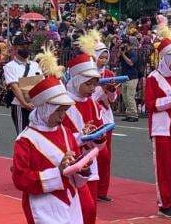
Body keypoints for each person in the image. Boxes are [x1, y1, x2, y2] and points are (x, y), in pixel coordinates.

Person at [12, 46, 90, 224]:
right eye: (59, 110)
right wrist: (58, 172)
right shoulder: (25, 140)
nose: (63, 115)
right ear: (46, 108)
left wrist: (82, 168)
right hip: (42, 205)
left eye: (65, 110)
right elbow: (20, 179)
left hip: (70, 198)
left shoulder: (66, 131)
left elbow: (74, 171)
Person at [62, 33, 109, 224]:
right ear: (76, 81)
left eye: (94, 83)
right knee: (81, 210)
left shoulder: (93, 104)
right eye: (87, 83)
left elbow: (101, 138)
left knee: (91, 213)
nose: (92, 88)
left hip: (91, 162)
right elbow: (60, 136)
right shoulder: (63, 104)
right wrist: (82, 136)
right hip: (72, 165)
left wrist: (98, 137)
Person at [144, 24, 171, 218]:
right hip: (161, 129)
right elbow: (151, 104)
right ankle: (164, 203)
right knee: (164, 168)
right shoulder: (153, 78)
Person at [91, 34, 118, 202]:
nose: (103, 60)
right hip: (92, 117)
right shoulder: (87, 73)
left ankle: (102, 190)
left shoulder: (109, 73)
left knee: (106, 157)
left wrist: (110, 90)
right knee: (93, 154)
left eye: (105, 57)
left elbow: (113, 100)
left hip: (106, 118)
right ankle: (90, 188)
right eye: (100, 57)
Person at [3, 34, 41, 134]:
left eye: (27, 46)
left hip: (36, 106)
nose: (26, 48)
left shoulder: (35, 65)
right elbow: (14, 87)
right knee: (23, 135)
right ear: (15, 48)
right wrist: (24, 104)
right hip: (20, 107)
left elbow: (41, 83)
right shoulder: (10, 66)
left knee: (36, 135)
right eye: (22, 46)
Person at [119, 36, 139, 122]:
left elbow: (131, 63)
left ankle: (134, 115)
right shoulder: (124, 53)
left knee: (130, 97)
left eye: (124, 45)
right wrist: (121, 52)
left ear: (128, 45)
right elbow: (117, 59)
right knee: (125, 97)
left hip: (132, 77)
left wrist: (123, 54)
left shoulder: (133, 52)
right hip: (124, 77)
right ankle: (129, 114)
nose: (123, 46)